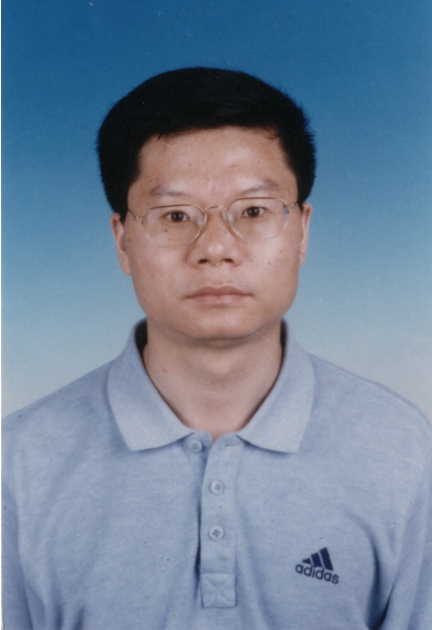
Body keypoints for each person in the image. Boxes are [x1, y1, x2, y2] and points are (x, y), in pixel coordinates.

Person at [3, 67, 431, 630]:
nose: (216, 248)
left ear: (302, 231)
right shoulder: (19, 463)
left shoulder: (403, 452)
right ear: (122, 240)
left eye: (253, 211)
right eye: (176, 216)